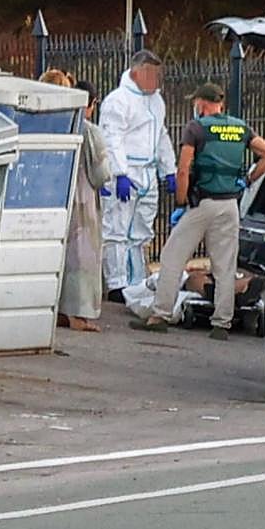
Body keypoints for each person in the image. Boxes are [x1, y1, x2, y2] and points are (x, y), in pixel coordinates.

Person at [131, 83, 265, 339]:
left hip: (202, 203)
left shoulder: (196, 128)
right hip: (229, 205)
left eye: (195, 102)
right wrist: (248, 180)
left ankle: (160, 315)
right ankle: (222, 323)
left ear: (202, 103)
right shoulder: (241, 128)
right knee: (225, 265)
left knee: (173, 256)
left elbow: (183, 170)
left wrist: (180, 203)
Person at [99, 50, 177, 302]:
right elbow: (111, 138)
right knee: (117, 229)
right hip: (127, 172)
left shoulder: (156, 101)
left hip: (148, 172)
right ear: (136, 73)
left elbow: (161, 136)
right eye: (151, 74)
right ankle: (117, 283)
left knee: (142, 229)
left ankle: (137, 280)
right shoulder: (118, 101)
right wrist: (119, 172)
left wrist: (169, 169)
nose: (156, 80)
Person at [62, 79, 112, 331]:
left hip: (58, 198)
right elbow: (101, 174)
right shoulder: (90, 132)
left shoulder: (60, 125)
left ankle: (60, 310)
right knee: (83, 256)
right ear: (91, 103)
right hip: (84, 201)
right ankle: (79, 314)